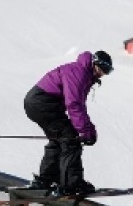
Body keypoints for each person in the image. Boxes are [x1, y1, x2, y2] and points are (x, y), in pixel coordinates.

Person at [24, 50, 113, 195]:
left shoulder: (83, 73)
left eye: (107, 71)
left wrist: (89, 130)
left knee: (59, 139)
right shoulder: (79, 72)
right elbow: (74, 104)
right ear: (94, 63)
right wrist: (84, 132)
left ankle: (46, 179)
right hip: (43, 103)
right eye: (102, 69)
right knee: (70, 140)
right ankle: (72, 184)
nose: (102, 73)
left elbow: (79, 106)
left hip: (38, 102)